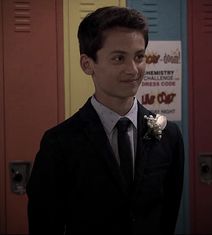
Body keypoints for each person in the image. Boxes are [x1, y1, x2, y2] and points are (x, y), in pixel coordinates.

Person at [26, 6, 184, 235]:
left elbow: (168, 216)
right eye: (119, 58)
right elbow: (45, 225)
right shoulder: (59, 144)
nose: (133, 70)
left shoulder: (168, 134)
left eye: (139, 57)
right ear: (87, 64)